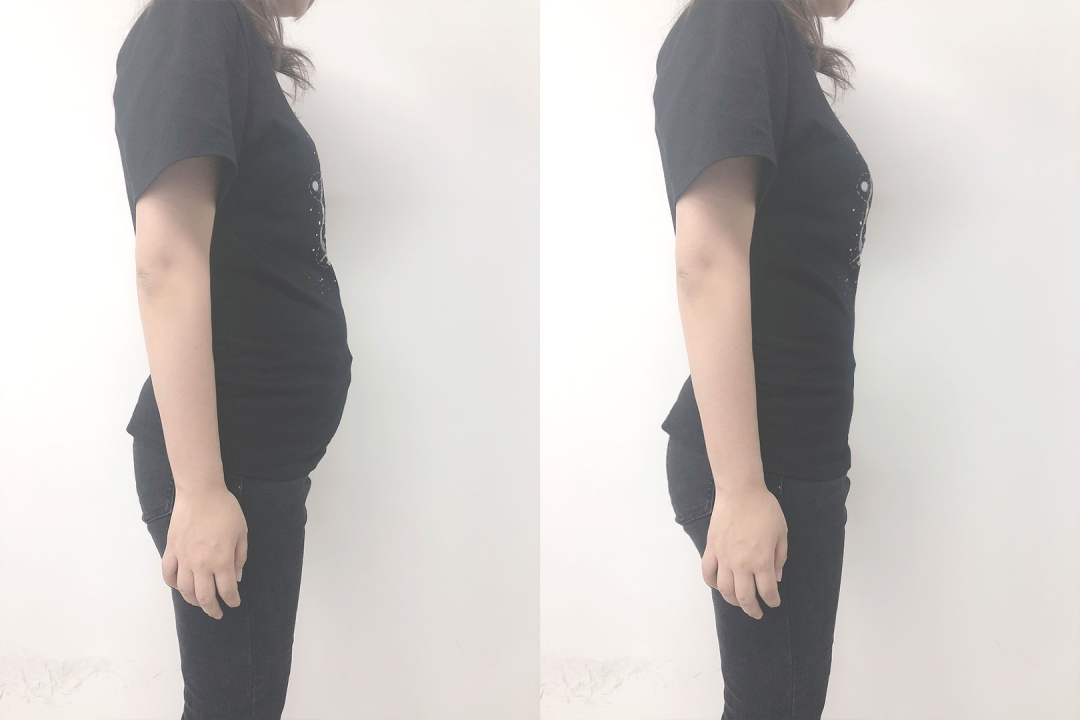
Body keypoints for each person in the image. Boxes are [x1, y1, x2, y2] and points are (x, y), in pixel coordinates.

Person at [113, 0, 349, 717]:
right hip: (226, 466)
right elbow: (167, 260)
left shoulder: (222, 35)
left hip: (251, 462)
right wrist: (201, 491)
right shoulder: (192, 19)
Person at [653, 0, 869, 716]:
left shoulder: (762, 36)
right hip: (762, 465)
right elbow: (707, 260)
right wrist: (742, 490)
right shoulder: (733, 18)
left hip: (793, 456)